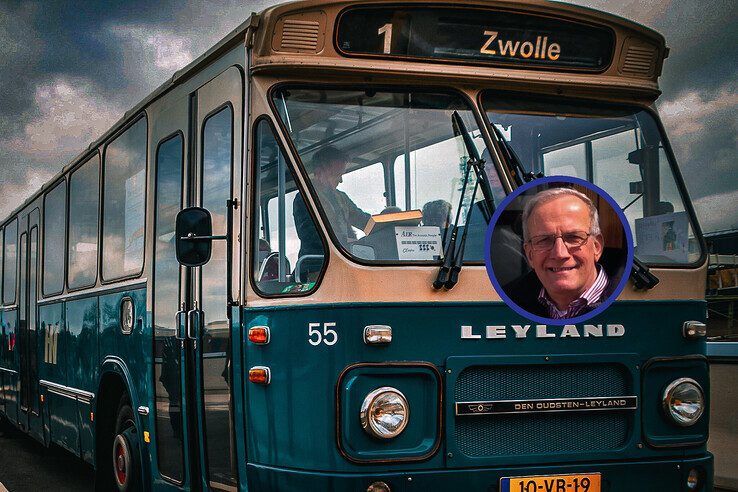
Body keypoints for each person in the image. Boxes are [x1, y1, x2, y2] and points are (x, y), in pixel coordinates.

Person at [505, 187, 616, 319]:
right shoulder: (505, 308)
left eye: (573, 237)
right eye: (544, 240)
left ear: (597, 247)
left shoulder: (631, 308)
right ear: (530, 255)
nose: (559, 253)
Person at [293, 146, 371, 258]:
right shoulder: (305, 198)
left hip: (343, 259)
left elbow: (362, 219)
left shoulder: (341, 197)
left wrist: (384, 223)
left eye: (341, 174)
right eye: (336, 175)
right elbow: (311, 235)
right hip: (317, 264)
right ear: (319, 172)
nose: (341, 180)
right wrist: (348, 243)